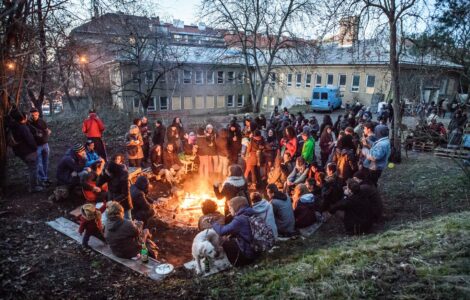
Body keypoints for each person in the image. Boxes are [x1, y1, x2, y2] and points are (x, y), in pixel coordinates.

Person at [211, 196, 258, 267]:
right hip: (256, 251)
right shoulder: (251, 212)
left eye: (230, 207)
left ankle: (236, 263)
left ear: (236, 207)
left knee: (226, 242)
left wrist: (213, 222)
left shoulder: (239, 220)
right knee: (231, 237)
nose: (229, 210)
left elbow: (221, 231)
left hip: (248, 256)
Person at [9, 111, 43, 192]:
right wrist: (35, 147)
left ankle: (35, 184)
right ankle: (33, 187)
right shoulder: (22, 128)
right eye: (26, 116)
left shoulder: (13, 126)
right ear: (23, 118)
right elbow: (30, 140)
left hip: (20, 151)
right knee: (33, 168)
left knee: (32, 168)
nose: (27, 117)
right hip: (28, 152)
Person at [98, 154, 132, 219]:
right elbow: (99, 184)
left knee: (127, 219)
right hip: (112, 199)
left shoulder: (123, 176)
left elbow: (125, 194)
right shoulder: (109, 173)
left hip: (123, 202)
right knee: (115, 219)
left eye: (109, 173)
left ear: (113, 171)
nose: (108, 174)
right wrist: (103, 174)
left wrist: (113, 201)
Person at [28, 108, 51, 186]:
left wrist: (47, 133)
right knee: (39, 163)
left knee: (46, 162)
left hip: (45, 145)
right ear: (30, 115)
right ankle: (43, 179)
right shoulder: (28, 123)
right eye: (32, 115)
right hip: (37, 146)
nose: (34, 116)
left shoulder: (42, 121)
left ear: (38, 114)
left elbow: (47, 130)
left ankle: (45, 177)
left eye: (36, 114)